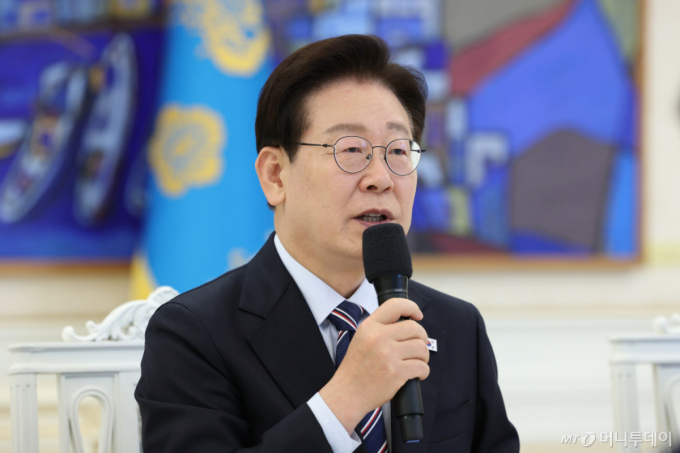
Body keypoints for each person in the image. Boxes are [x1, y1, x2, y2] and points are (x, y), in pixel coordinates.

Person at [135, 34, 520, 453]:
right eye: (351, 149)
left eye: (398, 151)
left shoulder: (456, 326)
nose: (381, 178)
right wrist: (344, 401)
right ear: (275, 175)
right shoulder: (193, 334)